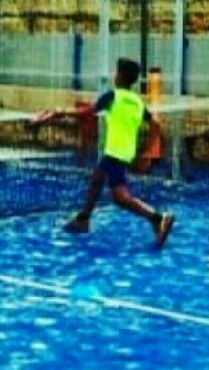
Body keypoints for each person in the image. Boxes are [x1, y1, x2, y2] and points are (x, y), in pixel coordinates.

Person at [39, 57, 174, 248]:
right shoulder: (137, 102)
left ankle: (157, 218)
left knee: (120, 197)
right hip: (125, 153)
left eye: (116, 72)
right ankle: (84, 219)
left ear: (119, 76)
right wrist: (149, 152)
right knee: (97, 178)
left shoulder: (113, 96)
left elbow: (87, 112)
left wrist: (58, 112)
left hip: (114, 153)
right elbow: (156, 125)